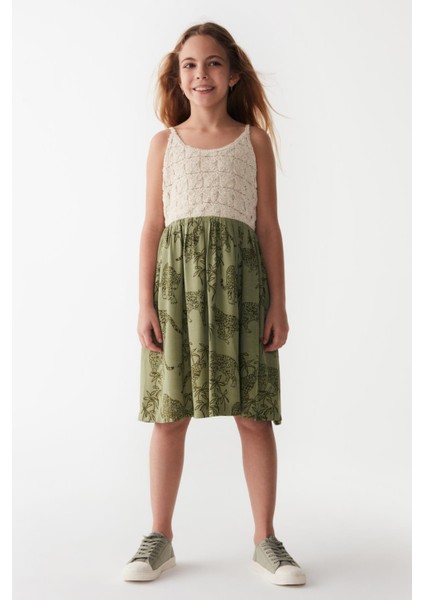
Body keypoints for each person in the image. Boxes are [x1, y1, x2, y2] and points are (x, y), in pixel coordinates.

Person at [122, 22, 306, 587]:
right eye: (189, 65)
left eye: (213, 63)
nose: (200, 74)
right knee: (168, 416)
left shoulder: (254, 140)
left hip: (243, 291)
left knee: (253, 415)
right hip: (175, 295)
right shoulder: (163, 144)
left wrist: (278, 304)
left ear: (233, 76)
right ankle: (159, 536)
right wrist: (144, 304)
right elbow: (152, 227)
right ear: (177, 77)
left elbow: (268, 228)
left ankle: (265, 539)